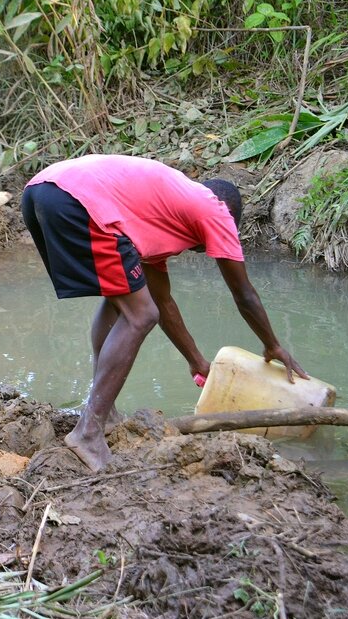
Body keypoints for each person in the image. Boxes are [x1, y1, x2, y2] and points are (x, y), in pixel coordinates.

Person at [21, 154, 308, 471]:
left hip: (42, 191)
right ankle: (88, 433)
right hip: (77, 201)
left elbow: (163, 303)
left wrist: (195, 360)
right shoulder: (215, 209)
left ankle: (105, 414)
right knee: (139, 316)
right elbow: (244, 294)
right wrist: (272, 344)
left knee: (123, 303)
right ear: (230, 216)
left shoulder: (158, 218)